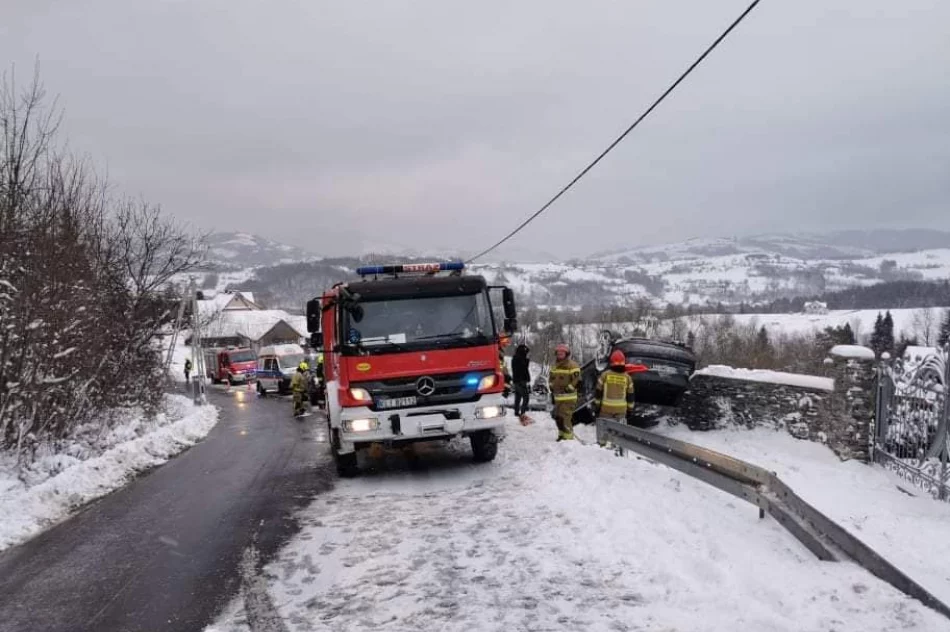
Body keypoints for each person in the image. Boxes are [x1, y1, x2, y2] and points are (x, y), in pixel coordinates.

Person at [548, 343, 580, 441]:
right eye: (558, 353)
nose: (560, 355)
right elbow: (551, 379)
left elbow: (577, 380)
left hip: (569, 398)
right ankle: (561, 435)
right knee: (558, 418)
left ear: (566, 354)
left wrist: (568, 388)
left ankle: (568, 439)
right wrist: (552, 389)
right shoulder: (554, 366)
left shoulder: (572, 365)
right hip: (558, 397)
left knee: (565, 418)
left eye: (562, 353)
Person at [594, 350, 635, 423]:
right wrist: (630, 411)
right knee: (619, 433)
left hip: (605, 411)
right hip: (621, 412)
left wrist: (597, 407)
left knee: (605, 433)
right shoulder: (628, 378)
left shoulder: (604, 375)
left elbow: (598, 393)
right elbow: (630, 397)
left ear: (611, 362)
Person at [511, 343, 532, 425]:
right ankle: (522, 413)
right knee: (526, 397)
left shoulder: (515, 358)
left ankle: (516, 412)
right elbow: (524, 368)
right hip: (521, 380)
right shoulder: (520, 359)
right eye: (525, 352)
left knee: (518, 396)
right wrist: (527, 360)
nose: (527, 353)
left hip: (516, 380)